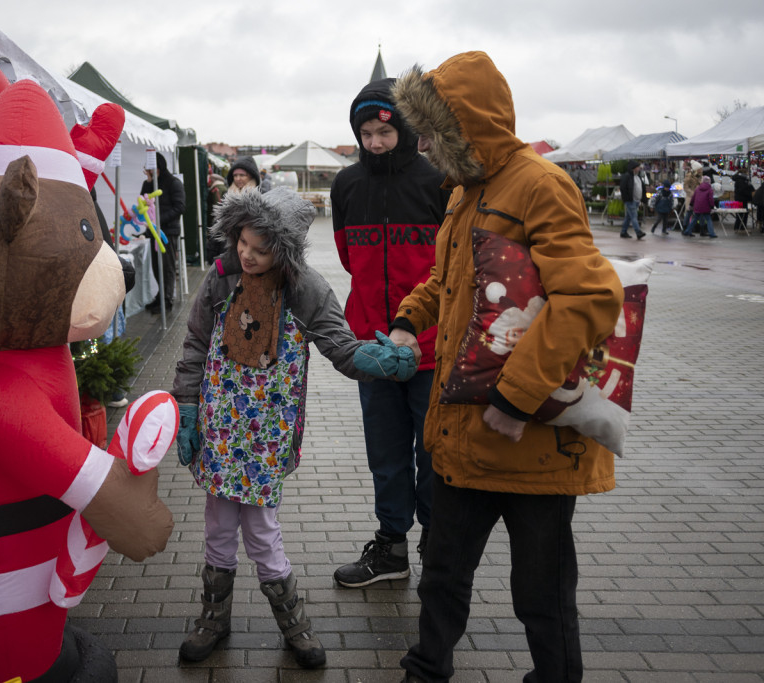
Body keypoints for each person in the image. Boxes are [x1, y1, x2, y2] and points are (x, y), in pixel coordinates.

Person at [389, 51, 624, 682]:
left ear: (469, 126)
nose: (428, 145)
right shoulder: (468, 190)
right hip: (464, 435)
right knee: (442, 572)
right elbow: (448, 279)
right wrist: (410, 319)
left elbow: (588, 297)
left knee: (541, 596)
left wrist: (517, 399)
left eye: (436, 131)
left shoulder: (541, 185)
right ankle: (425, 670)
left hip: (531, 443)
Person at [171, 187, 411, 669]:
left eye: (261, 249)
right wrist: (188, 407)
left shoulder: (306, 289)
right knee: (217, 526)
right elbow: (196, 343)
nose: (248, 255)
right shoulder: (219, 280)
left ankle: (293, 623)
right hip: (219, 430)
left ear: (284, 250)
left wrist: (380, 360)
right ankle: (212, 618)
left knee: (261, 531)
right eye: (243, 243)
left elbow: (340, 348)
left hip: (265, 435)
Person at [329, 77, 451, 587]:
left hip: (431, 346)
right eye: (365, 133)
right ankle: (392, 549)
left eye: (383, 130)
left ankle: (440, 548)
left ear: (402, 125)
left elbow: (453, 265)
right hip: (373, 350)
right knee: (386, 454)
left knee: (434, 454)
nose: (374, 142)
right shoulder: (347, 185)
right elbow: (346, 257)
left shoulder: (439, 181)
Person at [141, 152, 186, 312]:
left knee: (167, 267)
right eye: (147, 169)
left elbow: (180, 207)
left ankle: (167, 299)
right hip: (154, 232)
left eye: (152, 169)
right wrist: (149, 182)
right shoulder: (150, 183)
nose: (149, 172)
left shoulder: (173, 183)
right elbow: (143, 200)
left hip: (168, 232)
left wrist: (158, 220)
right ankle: (161, 295)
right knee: (156, 266)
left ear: (160, 167)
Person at [619, 160, 646, 239]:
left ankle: (623, 232)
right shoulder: (627, 176)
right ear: (633, 168)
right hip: (630, 200)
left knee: (628, 217)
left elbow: (642, 187)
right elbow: (623, 188)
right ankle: (638, 232)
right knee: (634, 216)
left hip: (636, 200)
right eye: (638, 167)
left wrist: (643, 198)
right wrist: (627, 198)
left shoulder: (637, 176)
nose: (639, 168)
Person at [681, 160, 704, 232]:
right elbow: (685, 187)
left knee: (700, 213)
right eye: (699, 168)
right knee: (689, 213)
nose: (701, 170)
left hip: (699, 197)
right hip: (690, 197)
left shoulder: (700, 176)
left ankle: (701, 229)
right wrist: (692, 193)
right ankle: (685, 228)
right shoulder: (689, 175)